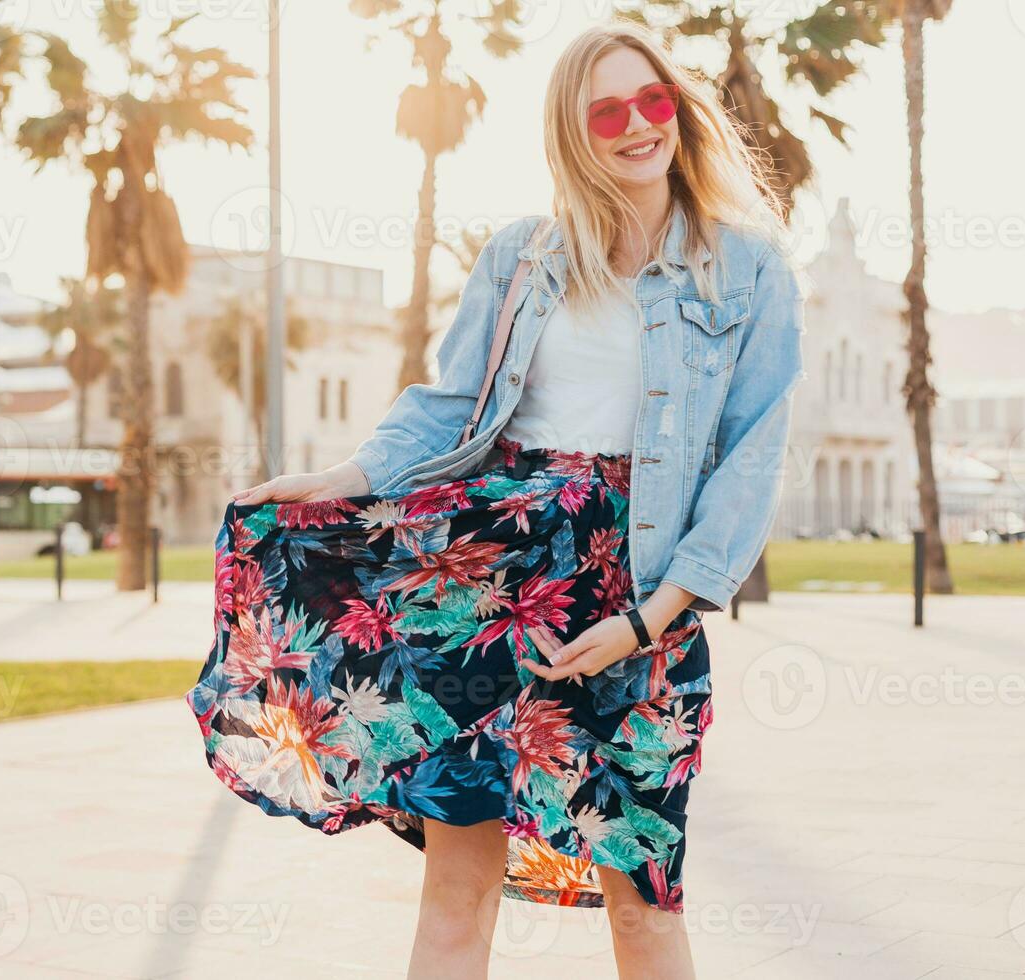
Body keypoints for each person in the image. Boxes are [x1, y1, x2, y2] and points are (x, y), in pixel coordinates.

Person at [188, 20, 805, 980]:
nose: (638, 125)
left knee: (644, 905)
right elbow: (451, 405)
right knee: (455, 895)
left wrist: (652, 620)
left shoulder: (749, 266)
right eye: (608, 110)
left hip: (638, 595)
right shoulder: (523, 255)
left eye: (654, 101)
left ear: (678, 110)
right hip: (487, 585)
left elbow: (750, 458)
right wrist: (350, 476)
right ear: (574, 130)